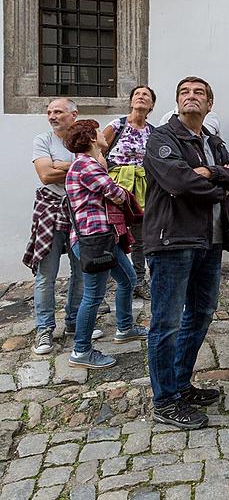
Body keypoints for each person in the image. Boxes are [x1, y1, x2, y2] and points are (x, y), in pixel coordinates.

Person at [144, 76, 229, 430]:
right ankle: (165, 400)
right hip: (173, 240)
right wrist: (219, 188)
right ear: (177, 103)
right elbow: (177, 181)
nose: (192, 97)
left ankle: (180, 383)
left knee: (201, 313)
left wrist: (214, 172)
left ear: (209, 105)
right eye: (185, 93)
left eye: (199, 93)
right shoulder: (162, 138)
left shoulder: (212, 142)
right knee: (166, 323)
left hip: (211, 240)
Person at [64, 119, 147, 369]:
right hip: (93, 239)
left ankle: (125, 327)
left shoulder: (88, 164)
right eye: (99, 131)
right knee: (93, 296)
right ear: (91, 138)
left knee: (127, 279)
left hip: (101, 239)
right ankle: (81, 351)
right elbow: (116, 193)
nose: (103, 134)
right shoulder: (86, 165)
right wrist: (117, 183)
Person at [24, 99, 94, 355]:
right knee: (46, 274)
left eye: (58, 112)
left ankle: (74, 322)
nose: (52, 116)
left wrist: (61, 166)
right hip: (50, 210)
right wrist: (77, 168)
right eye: (49, 112)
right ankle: (44, 329)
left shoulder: (84, 139)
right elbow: (45, 175)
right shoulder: (43, 140)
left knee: (81, 270)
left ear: (73, 115)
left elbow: (97, 168)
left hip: (79, 210)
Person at [102, 85, 156, 300]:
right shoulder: (117, 125)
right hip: (116, 188)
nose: (141, 97)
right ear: (131, 101)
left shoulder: (153, 131)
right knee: (110, 235)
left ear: (151, 105)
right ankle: (105, 285)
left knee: (140, 238)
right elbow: (98, 151)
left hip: (141, 190)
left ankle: (139, 281)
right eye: (137, 94)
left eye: (146, 95)